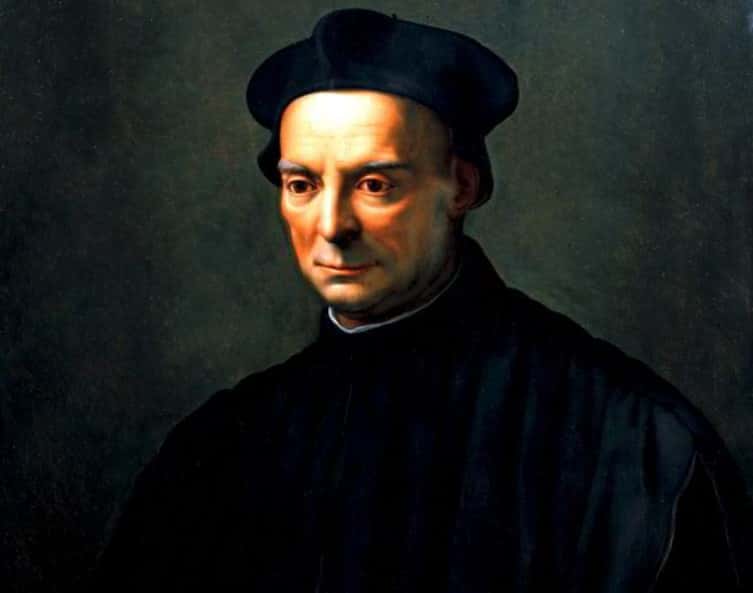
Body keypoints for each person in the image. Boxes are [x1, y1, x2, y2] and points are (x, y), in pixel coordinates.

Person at [93, 8, 751, 592]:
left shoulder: (632, 439)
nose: (332, 225)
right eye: (302, 184)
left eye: (374, 184)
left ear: (460, 186)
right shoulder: (220, 445)